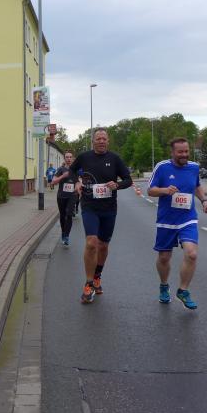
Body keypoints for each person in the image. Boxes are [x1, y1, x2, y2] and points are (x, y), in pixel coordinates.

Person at [147, 138, 207, 310]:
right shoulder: (162, 167)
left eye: (186, 151)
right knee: (164, 257)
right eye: (180, 152)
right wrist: (165, 190)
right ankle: (164, 286)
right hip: (166, 220)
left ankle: (183, 291)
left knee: (192, 254)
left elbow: (196, 186)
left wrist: (204, 200)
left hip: (187, 218)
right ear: (172, 152)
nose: (184, 155)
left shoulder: (194, 167)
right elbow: (150, 190)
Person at [70, 129, 132, 302]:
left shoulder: (114, 159)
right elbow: (72, 170)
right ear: (93, 141)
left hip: (109, 208)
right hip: (89, 206)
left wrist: (117, 185)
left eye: (104, 139)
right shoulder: (84, 157)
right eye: (98, 139)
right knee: (91, 243)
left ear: (108, 141)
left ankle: (97, 275)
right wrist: (76, 182)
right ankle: (88, 283)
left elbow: (128, 180)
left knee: (103, 245)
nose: (101, 141)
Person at [51, 151, 77, 246]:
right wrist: (63, 176)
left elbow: (80, 180)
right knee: (62, 215)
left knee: (69, 214)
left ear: (73, 158)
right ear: (64, 158)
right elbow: (53, 181)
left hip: (72, 196)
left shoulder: (76, 169)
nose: (69, 159)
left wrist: (79, 186)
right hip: (61, 196)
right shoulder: (60, 169)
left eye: (70, 157)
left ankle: (66, 236)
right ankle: (63, 232)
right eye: (67, 157)